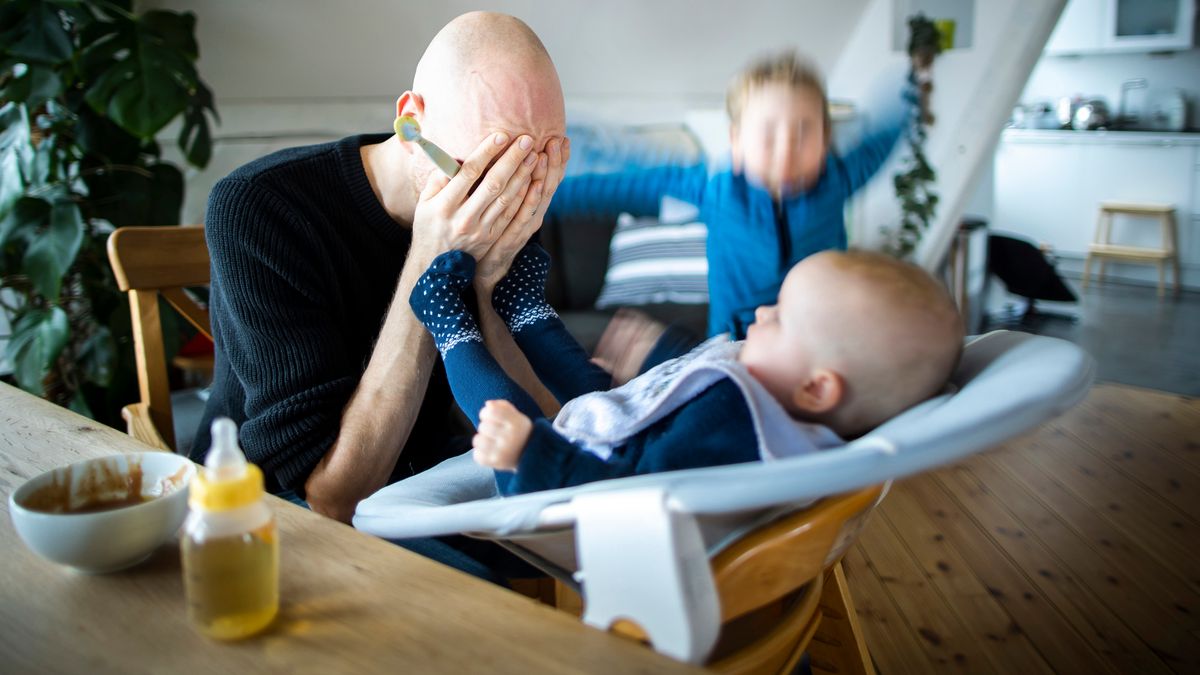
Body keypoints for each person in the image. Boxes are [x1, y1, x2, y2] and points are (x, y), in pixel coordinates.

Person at [193, 11, 572, 527]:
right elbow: (333, 496)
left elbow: (543, 432)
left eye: (536, 169)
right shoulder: (261, 207)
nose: (502, 198)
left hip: (425, 486)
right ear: (411, 123)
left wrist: (486, 285)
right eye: (480, 171)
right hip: (262, 515)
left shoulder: (512, 196)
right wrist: (430, 261)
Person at [409, 243, 963, 494]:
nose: (762, 313)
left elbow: (630, 492)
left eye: (781, 317)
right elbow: (687, 391)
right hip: (616, 441)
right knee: (591, 383)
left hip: (558, 483)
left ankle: (448, 325)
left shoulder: (734, 423)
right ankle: (525, 309)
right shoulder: (771, 403)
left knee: (509, 413)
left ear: (817, 389)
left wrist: (531, 450)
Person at [551, 50, 928, 342]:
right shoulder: (714, 189)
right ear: (736, 142)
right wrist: (540, 198)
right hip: (737, 346)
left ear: (827, 140)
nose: (786, 149)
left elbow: (885, 133)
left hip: (819, 338)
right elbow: (613, 189)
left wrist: (910, 77)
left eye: (804, 132)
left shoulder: (837, 179)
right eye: (767, 134)